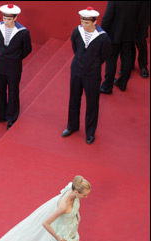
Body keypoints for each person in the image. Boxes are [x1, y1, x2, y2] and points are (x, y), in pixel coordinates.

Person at [61, 7, 111, 145]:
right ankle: (72, 126)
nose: (84, 24)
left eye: (87, 22)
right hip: (76, 70)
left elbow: (105, 54)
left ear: (95, 21)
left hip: (92, 74)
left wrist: (93, 63)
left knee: (92, 103)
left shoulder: (103, 37)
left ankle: (90, 133)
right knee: (74, 99)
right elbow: (75, 48)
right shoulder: (77, 31)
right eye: (82, 21)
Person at [0, 4, 32, 130]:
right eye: (4, 18)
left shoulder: (23, 32)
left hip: (13, 66)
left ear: (15, 18)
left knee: (12, 91)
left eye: (9, 19)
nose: (6, 21)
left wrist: (15, 58)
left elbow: (27, 50)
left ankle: (11, 117)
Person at [99, 1, 145, 94]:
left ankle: (107, 87)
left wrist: (101, 32)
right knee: (126, 58)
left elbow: (107, 17)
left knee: (111, 59)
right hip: (129, 34)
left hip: (114, 34)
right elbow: (140, 17)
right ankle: (123, 83)